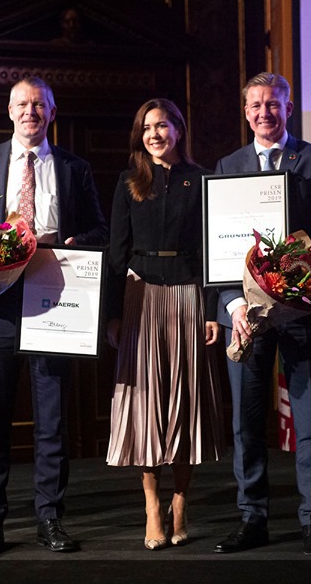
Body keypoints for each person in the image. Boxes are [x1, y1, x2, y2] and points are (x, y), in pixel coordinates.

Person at [0, 76, 108, 557]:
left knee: (52, 419)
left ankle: (50, 518)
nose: (30, 112)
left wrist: (75, 245)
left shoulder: (74, 168)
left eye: (39, 104)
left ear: (52, 113)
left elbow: (99, 230)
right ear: (9, 111)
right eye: (22, 104)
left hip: (54, 299)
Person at [213, 73, 311, 556]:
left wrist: (298, 278)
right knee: (246, 422)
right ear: (245, 111)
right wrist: (232, 302)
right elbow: (217, 245)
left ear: (288, 109)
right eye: (255, 105)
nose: (264, 113)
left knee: (309, 421)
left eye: (272, 104)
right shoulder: (228, 166)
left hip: (301, 309)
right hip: (246, 314)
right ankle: (252, 518)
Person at [104, 98, 224, 550]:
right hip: (141, 297)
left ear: (179, 129)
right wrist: (113, 314)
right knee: (147, 406)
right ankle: (152, 506)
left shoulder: (203, 180)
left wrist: (211, 311)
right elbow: (116, 254)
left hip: (189, 296)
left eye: (162, 125)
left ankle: (180, 501)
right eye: (147, 127)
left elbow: (212, 252)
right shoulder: (128, 182)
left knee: (184, 402)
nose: (155, 134)